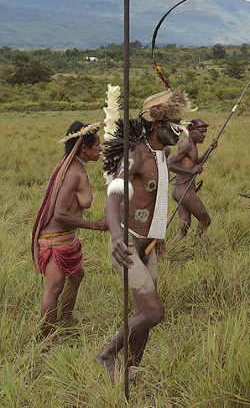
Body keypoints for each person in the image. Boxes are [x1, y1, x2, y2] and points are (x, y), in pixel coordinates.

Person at [96, 90, 189, 380]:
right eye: (173, 123)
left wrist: (158, 235)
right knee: (154, 312)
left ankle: (131, 370)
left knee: (144, 317)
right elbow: (113, 199)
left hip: (147, 247)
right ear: (156, 125)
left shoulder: (162, 154)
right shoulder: (136, 156)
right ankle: (107, 354)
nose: (179, 130)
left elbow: (156, 198)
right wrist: (115, 237)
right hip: (126, 245)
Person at [31, 121, 109, 338]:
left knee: (76, 276)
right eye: (97, 145)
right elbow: (59, 214)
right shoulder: (72, 173)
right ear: (84, 148)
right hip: (55, 240)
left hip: (67, 238)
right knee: (53, 289)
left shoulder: (76, 167)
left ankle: (65, 323)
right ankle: (47, 341)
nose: (100, 148)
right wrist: (95, 225)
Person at [167, 119, 217, 240]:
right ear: (192, 131)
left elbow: (195, 163)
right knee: (205, 221)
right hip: (186, 192)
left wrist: (210, 149)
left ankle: (179, 248)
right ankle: (196, 244)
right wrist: (191, 171)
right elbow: (169, 163)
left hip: (180, 191)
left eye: (205, 132)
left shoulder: (192, 144)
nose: (204, 135)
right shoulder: (187, 144)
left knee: (185, 224)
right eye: (201, 132)